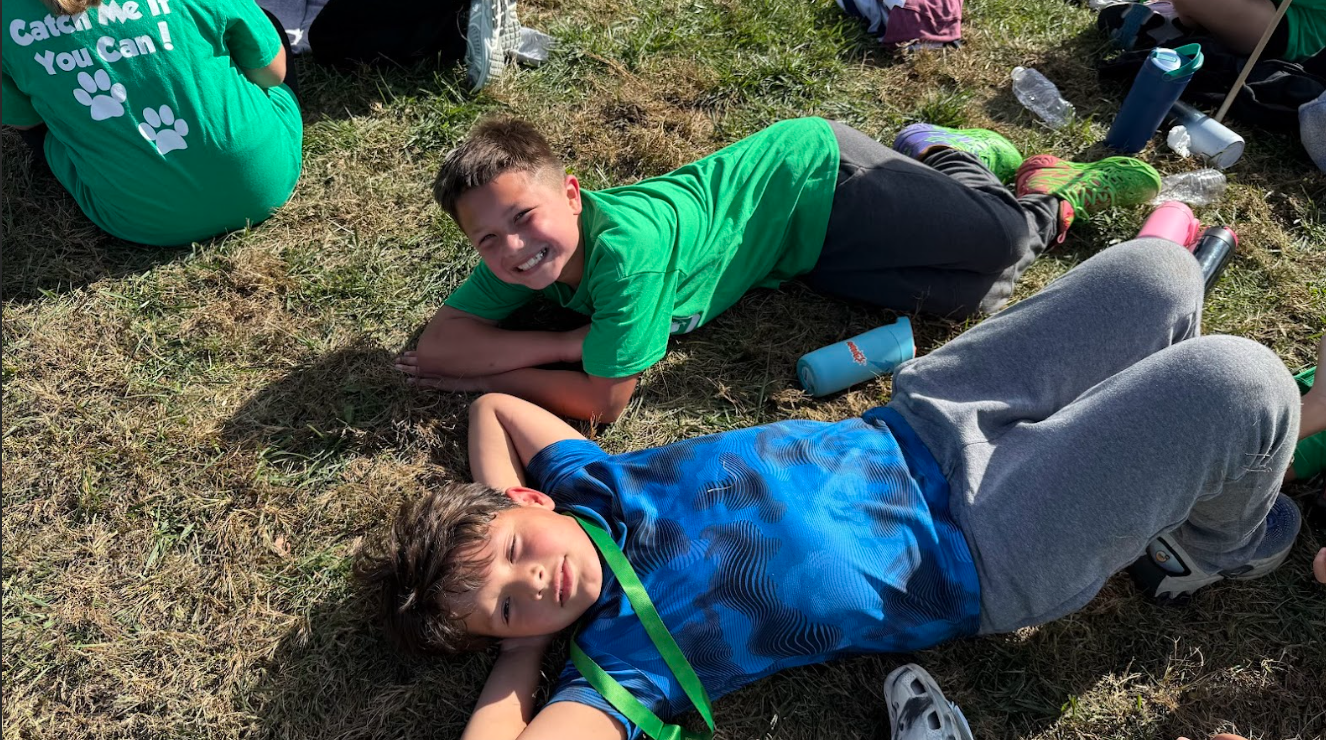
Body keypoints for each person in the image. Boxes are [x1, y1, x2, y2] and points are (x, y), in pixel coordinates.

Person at [361, 237, 1319, 740]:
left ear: (529, 506)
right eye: (507, 607)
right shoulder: (622, 661)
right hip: (983, 545)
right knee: (1242, 382)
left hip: (926, 419)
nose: (534, 584)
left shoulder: (589, 489)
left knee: (1159, 275)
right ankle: (1218, 543)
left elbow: (494, 409)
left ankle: (1147, 443)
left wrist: (509, 509)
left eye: (514, 557)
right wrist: (525, 655)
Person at [396, 116, 1163, 422]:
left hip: (819, 179)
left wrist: (498, 377)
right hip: (800, 254)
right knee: (970, 299)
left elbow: (603, 400)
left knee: (1007, 244)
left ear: (571, 194)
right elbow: (440, 346)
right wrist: (565, 344)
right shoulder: (520, 255)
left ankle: (993, 171)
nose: (514, 248)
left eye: (524, 218)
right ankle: (948, 171)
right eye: (487, 240)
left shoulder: (623, 254)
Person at [2, 0, 302, 246]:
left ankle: (128, 150)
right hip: (263, 185)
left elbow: (26, 121)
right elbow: (272, 74)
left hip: (136, 217)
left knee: (45, 118)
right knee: (266, 31)